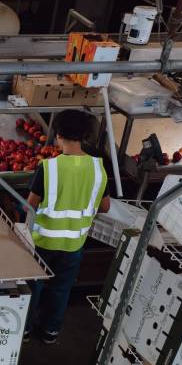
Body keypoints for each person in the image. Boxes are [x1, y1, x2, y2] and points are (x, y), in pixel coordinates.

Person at [25, 109, 110, 345]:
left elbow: (30, 206)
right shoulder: (97, 168)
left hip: (43, 242)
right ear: (84, 136)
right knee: (61, 288)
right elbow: (105, 206)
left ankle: (26, 330)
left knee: (35, 285)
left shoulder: (49, 168)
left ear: (58, 135)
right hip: (74, 243)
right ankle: (51, 331)